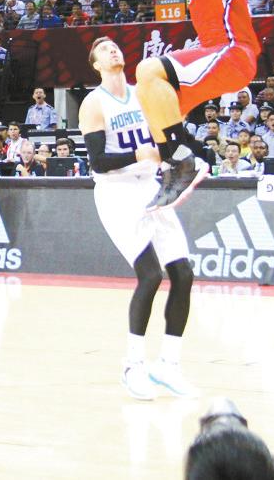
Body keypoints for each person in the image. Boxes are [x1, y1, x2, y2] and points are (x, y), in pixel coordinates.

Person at [114, 0, 261, 210]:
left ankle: (183, 159)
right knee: (149, 100)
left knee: (149, 68)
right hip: (212, 54)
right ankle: (174, 166)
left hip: (233, 52)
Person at [79, 37, 196, 400]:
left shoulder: (143, 93)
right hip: (116, 192)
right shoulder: (94, 103)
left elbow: (163, 140)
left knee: (183, 273)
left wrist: (180, 157)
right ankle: (133, 366)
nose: (112, 50)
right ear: (95, 64)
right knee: (150, 275)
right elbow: (98, 162)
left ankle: (168, 365)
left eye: (115, 46)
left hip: (150, 186)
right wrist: (138, 155)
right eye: (103, 49)